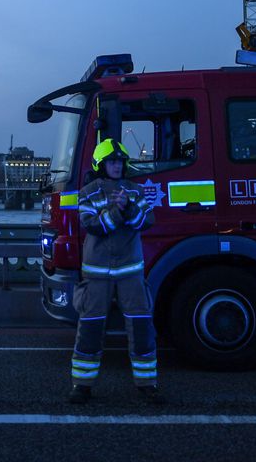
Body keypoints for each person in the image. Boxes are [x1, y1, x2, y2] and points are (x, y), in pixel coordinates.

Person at [68, 139, 163, 405]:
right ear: (101, 164)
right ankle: (82, 385)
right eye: (111, 161)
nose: (117, 166)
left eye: (120, 162)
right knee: (89, 328)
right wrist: (117, 211)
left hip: (130, 272)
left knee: (142, 327)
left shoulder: (135, 191)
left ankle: (148, 384)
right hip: (97, 274)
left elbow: (147, 221)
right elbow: (92, 226)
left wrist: (129, 207)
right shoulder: (88, 192)